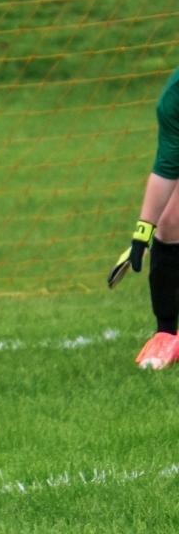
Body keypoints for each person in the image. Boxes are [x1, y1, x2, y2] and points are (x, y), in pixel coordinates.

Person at [108, 66, 179, 369]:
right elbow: (167, 165)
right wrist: (142, 235)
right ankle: (165, 335)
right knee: (170, 222)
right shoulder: (174, 99)